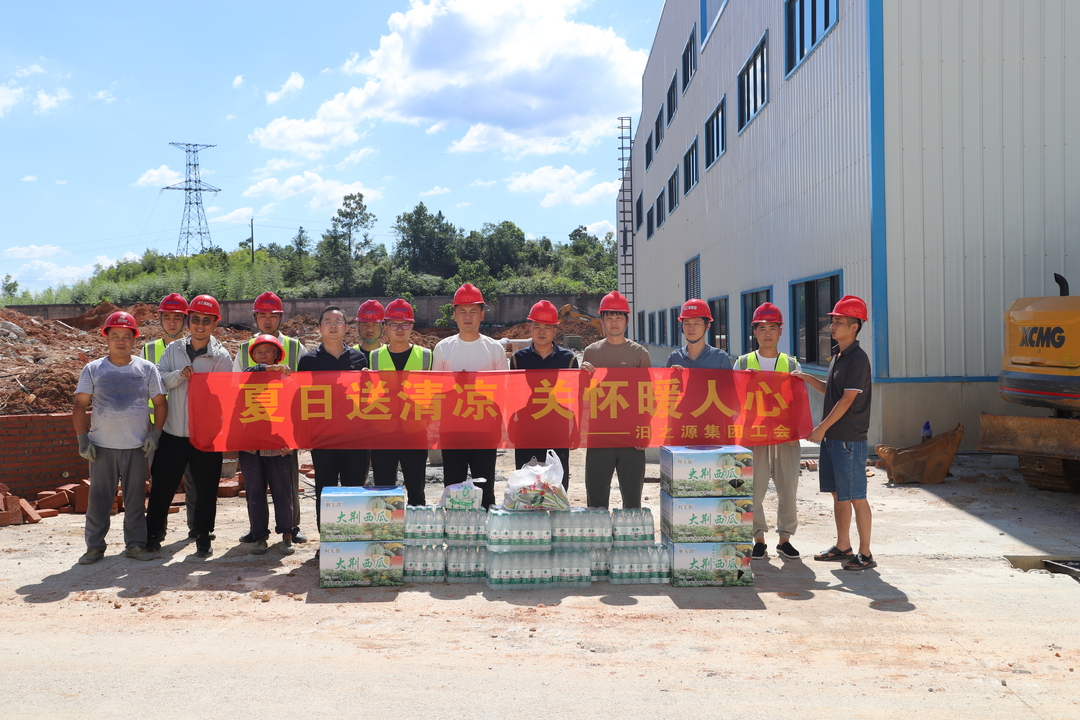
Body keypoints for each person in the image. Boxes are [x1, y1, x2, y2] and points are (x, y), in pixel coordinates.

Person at [73, 312, 167, 564]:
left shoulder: (146, 368)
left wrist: (155, 434)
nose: (121, 341)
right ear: (106, 338)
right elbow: (80, 405)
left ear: (134, 339)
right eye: (115, 336)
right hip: (102, 448)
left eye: (127, 336)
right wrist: (83, 439)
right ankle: (94, 547)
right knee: (99, 501)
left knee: (135, 501)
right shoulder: (94, 369)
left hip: (136, 447)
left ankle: (135, 545)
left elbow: (160, 403)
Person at [145, 294, 233, 558]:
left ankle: (203, 535)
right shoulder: (173, 350)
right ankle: (153, 534)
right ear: (188, 322)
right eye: (195, 319)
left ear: (215, 323)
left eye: (206, 321)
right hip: (173, 432)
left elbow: (222, 393)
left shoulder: (221, 357)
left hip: (205, 434)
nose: (200, 325)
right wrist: (179, 376)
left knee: (206, 489)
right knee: (163, 486)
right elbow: (158, 380)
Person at [791, 295, 875, 571]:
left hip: (849, 438)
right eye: (833, 320)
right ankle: (843, 546)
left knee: (856, 496)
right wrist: (807, 379)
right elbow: (833, 390)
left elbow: (847, 400)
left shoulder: (857, 359)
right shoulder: (839, 355)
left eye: (839, 321)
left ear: (855, 327)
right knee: (839, 494)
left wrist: (821, 427)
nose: (833, 325)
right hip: (834, 439)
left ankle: (865, 553)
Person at [233, 291, 309, 544]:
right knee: (254, 487)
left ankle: (291, 528)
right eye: (262, 315)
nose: (267, 320)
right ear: (255, 317)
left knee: (285, 486)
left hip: (283, 430)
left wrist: (297, 434)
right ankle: (258, 532)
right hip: (253, 429)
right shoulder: (244, 349)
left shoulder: (296, 347)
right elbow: (233, 386)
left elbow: (307, 389)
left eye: (272, 315)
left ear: (281, 317)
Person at [736, 302, 803, 560]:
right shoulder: (743, 362)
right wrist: (743, 380)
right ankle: (759, 539)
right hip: (754, 436)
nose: (767, 333)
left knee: (788, 486)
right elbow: (733, 400)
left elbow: (799, 401)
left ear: (780, 331)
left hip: (785, 436)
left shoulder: (791, 362)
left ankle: (784, 539)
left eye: (772, 328)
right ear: (754, 331)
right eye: (761, 328)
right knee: (754, 488)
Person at [432, 283, 508, 508]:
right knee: (453, 485)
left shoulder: (494, 349)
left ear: (482, 314)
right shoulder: (443, 348)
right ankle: (456, 534)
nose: (468, 316)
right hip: (453, 427)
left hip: (484, 428)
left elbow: (503, 390)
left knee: (485, 484)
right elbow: (437, 389)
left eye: (473, 311)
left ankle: (486, 532)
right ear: (454, 315)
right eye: (462, 311)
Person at [297, 306, 369, 530]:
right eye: (327, 321)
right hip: (323, 438)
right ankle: (327, 541)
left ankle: (352, 538)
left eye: (338, 321)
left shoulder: (359, 358)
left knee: (354, 490)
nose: (333, 325)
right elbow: (300, 399)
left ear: (347, 328)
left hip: (355, 438)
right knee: (325, 491)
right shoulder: (308, 362)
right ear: (319, 328)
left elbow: (369, 399)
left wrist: (369, 380)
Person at [580, 290, 651, 509]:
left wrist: (645, 433)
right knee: (596, 500)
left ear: (627, 320)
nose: (614, 322)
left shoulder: (639, 353)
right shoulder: (591, 353)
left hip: (631, 438)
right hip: (599, 436)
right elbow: (583, 396)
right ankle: (598, 542)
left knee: (632, 501)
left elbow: (648, 397)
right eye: (608, 317)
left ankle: (629, 543)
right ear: (601, 321)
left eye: (619, 317)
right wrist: (581, 375)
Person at [142, 293, 201, 540]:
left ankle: (197, 530)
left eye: (178, 318)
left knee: (196, 483)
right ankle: (156, 533)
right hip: (160, 427)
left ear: (185, 320)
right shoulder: (150, 349)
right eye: (167, 317)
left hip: (190, 424)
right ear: (160, 320)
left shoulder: (194, 345)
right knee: (161, 484)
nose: (172, 323)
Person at [368, 299, 432, 504]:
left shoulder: (426, 356)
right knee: (384, 489)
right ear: (385, 327)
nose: (399, 329)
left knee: (416, 488)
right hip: (382, 433)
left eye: (405, 324)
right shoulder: (374, 357)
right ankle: (388, 531)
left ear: (412, 326)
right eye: (394, 324)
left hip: (415, 431)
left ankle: (417, 531)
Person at [510, 299, 579, 490]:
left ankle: (556, 520)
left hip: (558, 429)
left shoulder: (569, 359)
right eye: (537, 326)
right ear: (529, 329)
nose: (541, 331)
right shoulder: (518, 359)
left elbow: (575, 398)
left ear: (555, 331)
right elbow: (513, 396)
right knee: (527, 486)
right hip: (526, 429)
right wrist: (510, 425)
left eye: (547, 327)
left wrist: (576, 429)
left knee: (557, 484)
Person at [238, 334, 296, 556]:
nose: (263, 356)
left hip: (278, 445)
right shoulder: (247, 378)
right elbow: (237, 380)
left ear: (277, 355)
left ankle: (287, 535)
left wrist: (292, 442)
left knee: (282, 491)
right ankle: (259, 536)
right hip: (251, 444)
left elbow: (295, 415)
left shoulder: (287, 380)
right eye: (259, 352)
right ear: (253, 356)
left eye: (268, 351)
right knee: (254, 492)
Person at [665, 298, 732, 370]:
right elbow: (664, 381)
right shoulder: (675, 357)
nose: (691, 328)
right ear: (682, 327)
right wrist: (671, 376)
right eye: (687, 323)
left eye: (696, 323)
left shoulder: (720, 358)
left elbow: (730, 381)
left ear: (707, 326)